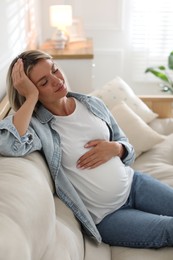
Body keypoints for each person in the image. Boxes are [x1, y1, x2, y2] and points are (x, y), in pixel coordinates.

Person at [0, 49, 173, 248]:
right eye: (43, 82)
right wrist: (30, 98)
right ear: (31, 91)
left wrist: (117, 148)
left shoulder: (91, 103)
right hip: (108, 217)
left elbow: (126, 146)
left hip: (135, 184)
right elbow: (9, 144)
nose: (57, 81)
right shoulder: (40, 128)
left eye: (55, 70)